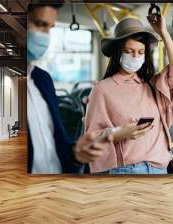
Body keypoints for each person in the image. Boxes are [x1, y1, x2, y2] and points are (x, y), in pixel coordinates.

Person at [85, 16, 173, 174]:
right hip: (126, 170)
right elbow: (91, 139)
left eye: (140, 52)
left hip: (160, 169)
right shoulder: (102, 90)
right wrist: (119, 133)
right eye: (129, 51)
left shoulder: (153, 85)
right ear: (118, 52)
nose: (135, 57)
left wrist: (163, 33)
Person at [27, 4, 110, 174]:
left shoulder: (43, 80)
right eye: (40, 24)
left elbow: (57, 143)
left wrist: (76, 153)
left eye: (49, 28)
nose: (44, 36)